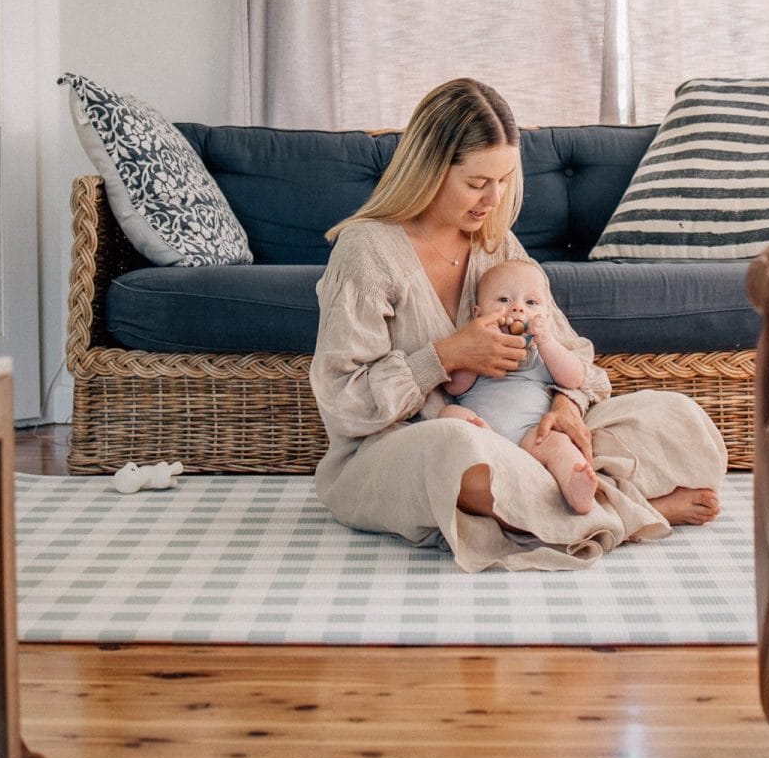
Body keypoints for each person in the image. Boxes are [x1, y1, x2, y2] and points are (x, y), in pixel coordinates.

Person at [311, 78, 727, 572]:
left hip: (526, 441)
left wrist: (566, 405)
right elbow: (342, 401)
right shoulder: (366, 252)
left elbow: (579, 361)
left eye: (505, 179)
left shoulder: (497, 246)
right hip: (401, 448)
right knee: (462, 454)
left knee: (677, 417)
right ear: (429, 171)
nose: (493, 197)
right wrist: (446, 357)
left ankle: (564, 508)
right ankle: (631, 514)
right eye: (476, 182)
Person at [440, 258, 598, 514]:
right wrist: (476, 346)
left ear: (546, 316)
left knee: (559, 445)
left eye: (531, 303)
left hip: (532, 435)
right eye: (503, 300)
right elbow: (454, 387)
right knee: (449, 414)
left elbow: (574, 379)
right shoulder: (477, 352)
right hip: (484, 432)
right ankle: (480, 448)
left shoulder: (543, 354)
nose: (517, 309)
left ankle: (575, 485)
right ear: (478, 315)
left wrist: (546, 342)